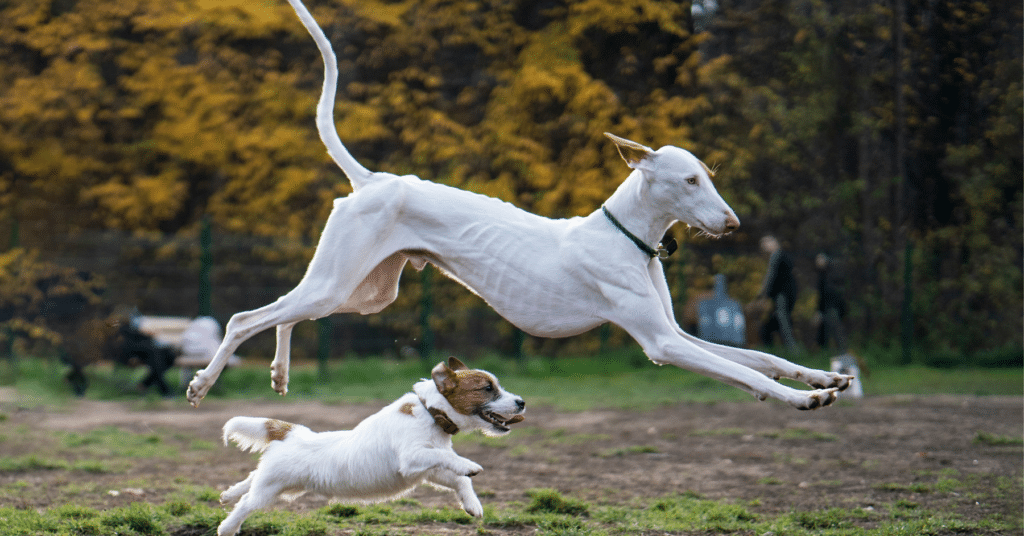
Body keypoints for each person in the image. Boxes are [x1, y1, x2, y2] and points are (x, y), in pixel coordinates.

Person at [757, 235, 798, 351]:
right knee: (772, 323)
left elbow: (771, 278)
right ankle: (774, 349)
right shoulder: (781, 256)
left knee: (782, 319)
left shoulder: (777, 256)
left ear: (775, 242)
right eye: (764, 245)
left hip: (782, 295)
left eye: (767, 243)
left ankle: (792, 349)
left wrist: (763, 294)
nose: (765, 246)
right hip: (784, 295)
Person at [814, 253, 848, 352]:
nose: (818, 262)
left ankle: (843, 352)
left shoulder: (829, 275)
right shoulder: (824, 274)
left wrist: (820, 310)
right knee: (824, 329)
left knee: (836, 329)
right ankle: (824, 350)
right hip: (828, 306)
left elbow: (826, 293)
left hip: (831, 307)